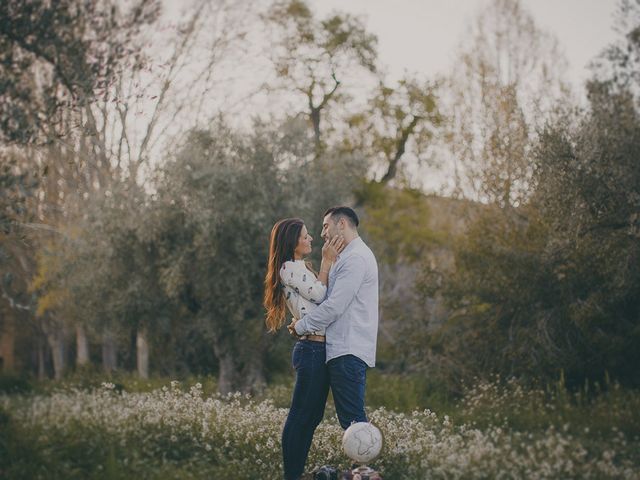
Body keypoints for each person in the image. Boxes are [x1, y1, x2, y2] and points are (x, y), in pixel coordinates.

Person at [263, 218, 345, 480]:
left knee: (311, 416)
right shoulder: (288, 268)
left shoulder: (299, 267)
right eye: (306, 236)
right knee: (301, 416)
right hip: (310, 349)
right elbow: (321, 295)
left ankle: (295, 474)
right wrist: (327, 262)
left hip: (317, 349)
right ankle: (292, 475)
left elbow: (320, 298)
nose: (311, 239)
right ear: (293, 241)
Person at [292, 206, 379, 430]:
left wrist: (302, 326)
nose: (322, 234)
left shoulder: (356, 259)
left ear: (342, 224)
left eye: (326, 226)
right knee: (350, 420)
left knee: (353, 421)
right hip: (341, 348)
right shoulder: (345, 257)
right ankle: (359, 465)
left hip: (347, 349)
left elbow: (334, 307)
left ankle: (364, 466)